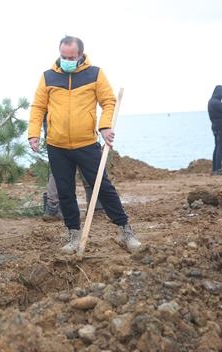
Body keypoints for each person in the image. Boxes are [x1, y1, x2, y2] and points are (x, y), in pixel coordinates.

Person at [28, 36, 141, 253]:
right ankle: (73, 236)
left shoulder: (94, 74)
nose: (67, 60)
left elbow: (108, 101)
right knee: (65, 191)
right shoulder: (48, 77)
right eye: (63, 56)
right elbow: (38, 107)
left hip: (86, 143)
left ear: (81, 55)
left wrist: (105, 126)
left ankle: (125, 231)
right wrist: (34, 134)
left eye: (72, 57)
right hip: (57, 145)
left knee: (104, 188)